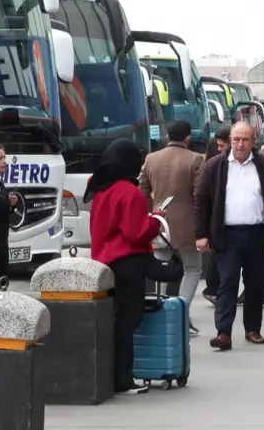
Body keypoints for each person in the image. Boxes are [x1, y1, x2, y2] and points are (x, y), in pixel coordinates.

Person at [194, 122, 264, 350]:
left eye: (245, 140)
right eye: (236, 139)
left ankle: (252, 329)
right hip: (226, 235)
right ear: (230, 140)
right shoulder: (214, 166)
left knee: (255, 284)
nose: (240, 144)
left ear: (252, 140)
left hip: (257, 234)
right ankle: (224, 333)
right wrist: (201, 233)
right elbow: (201, 200)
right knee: (227, 282)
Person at [86, 139, 163, 394]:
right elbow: (135, 232)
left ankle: (110, 376)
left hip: (104, 264)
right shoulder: (129, 192)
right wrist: (156, 222)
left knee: (113, 321)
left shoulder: (101, 190)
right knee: (128, 323)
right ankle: (124, 379)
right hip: (128, 264)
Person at [139, 120, 204, 336]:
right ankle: (180, 312)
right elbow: (199, 195)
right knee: (192, 268)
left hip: (159, 223)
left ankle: (159, 311)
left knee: (160, 270)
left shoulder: (151, 159)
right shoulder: (195, 160)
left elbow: (142, 190)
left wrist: (153, 211)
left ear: (168, 136)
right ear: (188, 138)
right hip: (187, 224)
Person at [202, 127, 230, 305]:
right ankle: (214, 288)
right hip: (219, 216)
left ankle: (214, 288)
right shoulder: (215, 165)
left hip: (217, 215)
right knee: (218, 253)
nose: (220, 149)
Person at [0, 145, 17, 289]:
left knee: (3, 277)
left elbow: (5, 206)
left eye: (4, 157)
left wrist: (12, 204)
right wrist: (7, 200)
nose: (4, 161)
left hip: (3, 240)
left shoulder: (0, 182)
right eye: (0, 158)